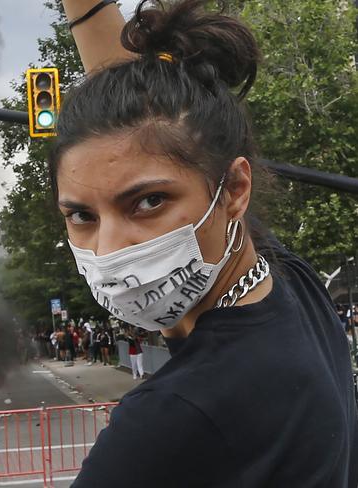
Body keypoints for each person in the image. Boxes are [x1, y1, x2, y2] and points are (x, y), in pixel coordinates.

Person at [54, 0, 358, 486]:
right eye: (82, 215)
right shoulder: (287, 283)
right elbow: (137, 129)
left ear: (235, 189)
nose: (109, 250)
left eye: (149, 202)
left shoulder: (169, 419)